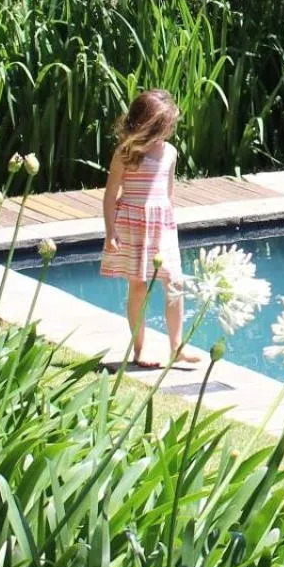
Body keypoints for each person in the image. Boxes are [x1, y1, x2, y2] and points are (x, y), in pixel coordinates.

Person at [100, 89, 199, 368]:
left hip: (161, 224)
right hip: (132, 224)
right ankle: (139, 349)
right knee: (139, 286)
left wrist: (168, 227)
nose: (170, 130)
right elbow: (110, 195)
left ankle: (177, 346)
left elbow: (168, 194)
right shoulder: (126, 153)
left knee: (175, 281)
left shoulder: (170, 152)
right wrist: (111, 231)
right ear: (149, 124)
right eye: (165, 125)